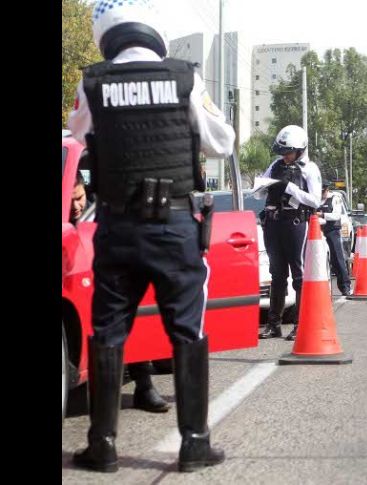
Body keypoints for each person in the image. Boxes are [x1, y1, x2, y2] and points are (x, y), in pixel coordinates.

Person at [67, 0, 234, 473]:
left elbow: (77, 134)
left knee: (108, 332)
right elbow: (222, 141)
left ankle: (102, 446)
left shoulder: (92, 80)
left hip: (117, 228)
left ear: (105, 33)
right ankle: (195, 443)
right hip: (175, 227)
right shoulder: (184, 78)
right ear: (154, 30)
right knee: (188, 330)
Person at [71, 173, 170, 414]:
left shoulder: (105, 206)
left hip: (109, 270)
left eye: (80, 198)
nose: (76, 206)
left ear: (86, 190)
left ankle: (143, 386)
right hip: (78, 279)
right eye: (70, 200)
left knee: (131, 322)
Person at [258, 125, 322, 341]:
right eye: (282, 152)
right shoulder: (275, 165)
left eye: (289, 152)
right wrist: (265, 187)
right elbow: (258, 194)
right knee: (277, 274)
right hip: (273, 222)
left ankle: (299, 324)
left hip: (295, 223)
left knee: (299, 274)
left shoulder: (309, 169)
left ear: (301, 150)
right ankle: (273, 324)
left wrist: (290, 188)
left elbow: (315, 200)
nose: (285, 156)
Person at [317, 181, 351, 296]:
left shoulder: (335, 198)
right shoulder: (315, 199)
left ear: (327, 189)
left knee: (337, 259)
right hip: (317, 232)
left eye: (323, 191)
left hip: (332, 231)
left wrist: (321, 215)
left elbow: (336, 215)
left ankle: (345, 287)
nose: (321, 194)